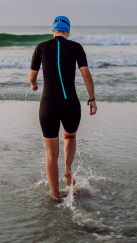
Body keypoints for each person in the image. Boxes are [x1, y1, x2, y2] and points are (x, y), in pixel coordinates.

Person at [29, 16, 97, 198]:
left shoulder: (41, 47)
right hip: (70, 104)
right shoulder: (76, 47)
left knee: (51, 153)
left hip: (48, 105)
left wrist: (34, 85)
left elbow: (32, 76)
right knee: (70, 135)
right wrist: (92, 99)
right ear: (67, 31)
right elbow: (86, 75)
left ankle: (55, 195)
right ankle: (67, 168)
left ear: (53, 31)